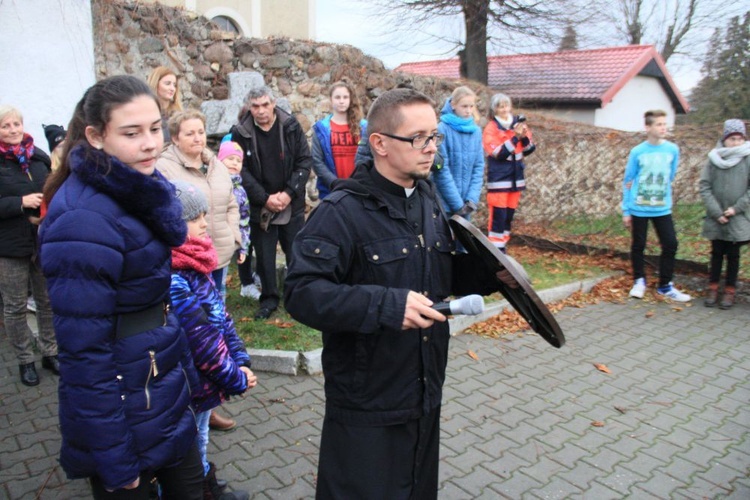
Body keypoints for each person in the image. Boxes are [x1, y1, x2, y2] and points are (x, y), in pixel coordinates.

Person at [284, 88, 515, 499]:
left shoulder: (425, 197)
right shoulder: (340, 212)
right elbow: (302, 293)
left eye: (435, 137)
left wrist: (491, 275)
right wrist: (385, 305)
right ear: (380, 144)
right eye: (419, 138)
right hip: (367, 402)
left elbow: (435, 271)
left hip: (424, 388)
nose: (431, 149)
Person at [38, 75, 203, 498]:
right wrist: (117, 462)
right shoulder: (83, 219)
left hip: (157, 385)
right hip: (124, 400)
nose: (150, 143)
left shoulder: (141, 189)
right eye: (132, 133)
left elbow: (157, 308)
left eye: (155, 128)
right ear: (95, 136)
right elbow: (84, 353)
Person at [169, 180, 257, 500]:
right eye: (194, 218)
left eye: (204, 214)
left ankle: (206, 486)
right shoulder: (175, 277)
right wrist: (235, 377)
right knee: (190, 443)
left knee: (201, 436)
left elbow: (221, 317)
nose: (205, 222)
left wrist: (242, 359)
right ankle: (198, 490)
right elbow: (202, 341)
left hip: (206, 382)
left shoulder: (196, 262)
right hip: (190, 383)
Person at [228, 86, 312, 320]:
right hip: (260, 204)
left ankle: (298, 295)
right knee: (265, 256)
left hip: (290, 201)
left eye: (265, 104)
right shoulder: (240, 131)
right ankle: (269, 299)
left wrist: (287, 194)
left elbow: (305, 161)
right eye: (256, 106)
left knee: (296, 251)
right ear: (249, 107)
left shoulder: (291, 126)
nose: (261, 110)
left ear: (273, 103)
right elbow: (240, 169)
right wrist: (264, 198)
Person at [0, 105, 58, 387]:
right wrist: (20, 203)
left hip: (40, 240)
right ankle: (25, 360)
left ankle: (50, 352)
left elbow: (53, 189)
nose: (12, 130)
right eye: (5, 126)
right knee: (15, 306)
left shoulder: (38, 157)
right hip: (8, 246)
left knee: (47, 300)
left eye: (16, 124)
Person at [156, 109, 242, 299]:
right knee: (192, 310)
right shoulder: (164, 168)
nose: (197, 138)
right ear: (176, 139)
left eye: (201, 132)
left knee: (217, 300)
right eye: (190, 134)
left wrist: (233, 235)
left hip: (219, 250)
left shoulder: (217, 166)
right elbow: (162, 214)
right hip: (186, 258)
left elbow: (231, 204)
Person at [623, 109, 691, 302]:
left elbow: (671, 175)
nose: (664, 128)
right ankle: (639, 281)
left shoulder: (672, 150)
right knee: (639, 245)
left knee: (671, 243)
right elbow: (628, 181)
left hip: (662, 207)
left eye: (664, 124)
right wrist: (626, 210)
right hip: (639, 208)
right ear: (648, 127)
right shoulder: (637, 152)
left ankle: (665, 285)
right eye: (659, 124)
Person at [698, 119, 750, 309]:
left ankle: (729, 290)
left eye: (739, 139)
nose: (735, 143)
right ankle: (712, 287)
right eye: (731, 139)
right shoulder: (714, 158)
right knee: (716, 253)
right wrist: (716, 211)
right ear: (724, 139)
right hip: (716, 216)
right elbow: (705, 186)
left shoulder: (747, 157)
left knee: (734, 255)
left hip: (738, 216)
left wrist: (736, 208)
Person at [482, 93, 535, 252]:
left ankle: (502, 249)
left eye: (506, 105)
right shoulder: (491, 128)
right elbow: (498, 153)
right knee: (498, 217)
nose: (505, 109)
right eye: (500, 106)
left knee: (508, 218)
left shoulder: (519, 124)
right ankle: (496, 251)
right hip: (499, 181)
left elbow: (529, 149)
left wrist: (523, 136)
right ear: (494, 109)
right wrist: (514, 138)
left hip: (516, 180)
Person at [434, 85, 484, 220]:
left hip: (466, 205)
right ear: (453, 105)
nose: (468, 111)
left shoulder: (476, 131)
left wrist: (472, 199)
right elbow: (441, 169)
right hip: (443, 204)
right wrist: (457, 205)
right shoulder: (441, 129)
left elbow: (478, 167)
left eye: (471, 106)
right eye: (464, 106)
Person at [311, 80, 367, 200]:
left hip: (360, 189)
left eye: (345, 97)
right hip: (331, 191)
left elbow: (370, 156)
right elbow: (317, 161)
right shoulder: (321, 128)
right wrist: (334, 183)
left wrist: (360, 182)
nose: (341, 101)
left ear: (350, 99)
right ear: (331, 100)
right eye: (337, 97)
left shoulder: (364, 127)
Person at [147, 66, 183, 142]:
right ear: (156, 84)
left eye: (174, 85)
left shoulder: (179, 115)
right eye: (167, 84)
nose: (172, 88)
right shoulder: (145, 113)